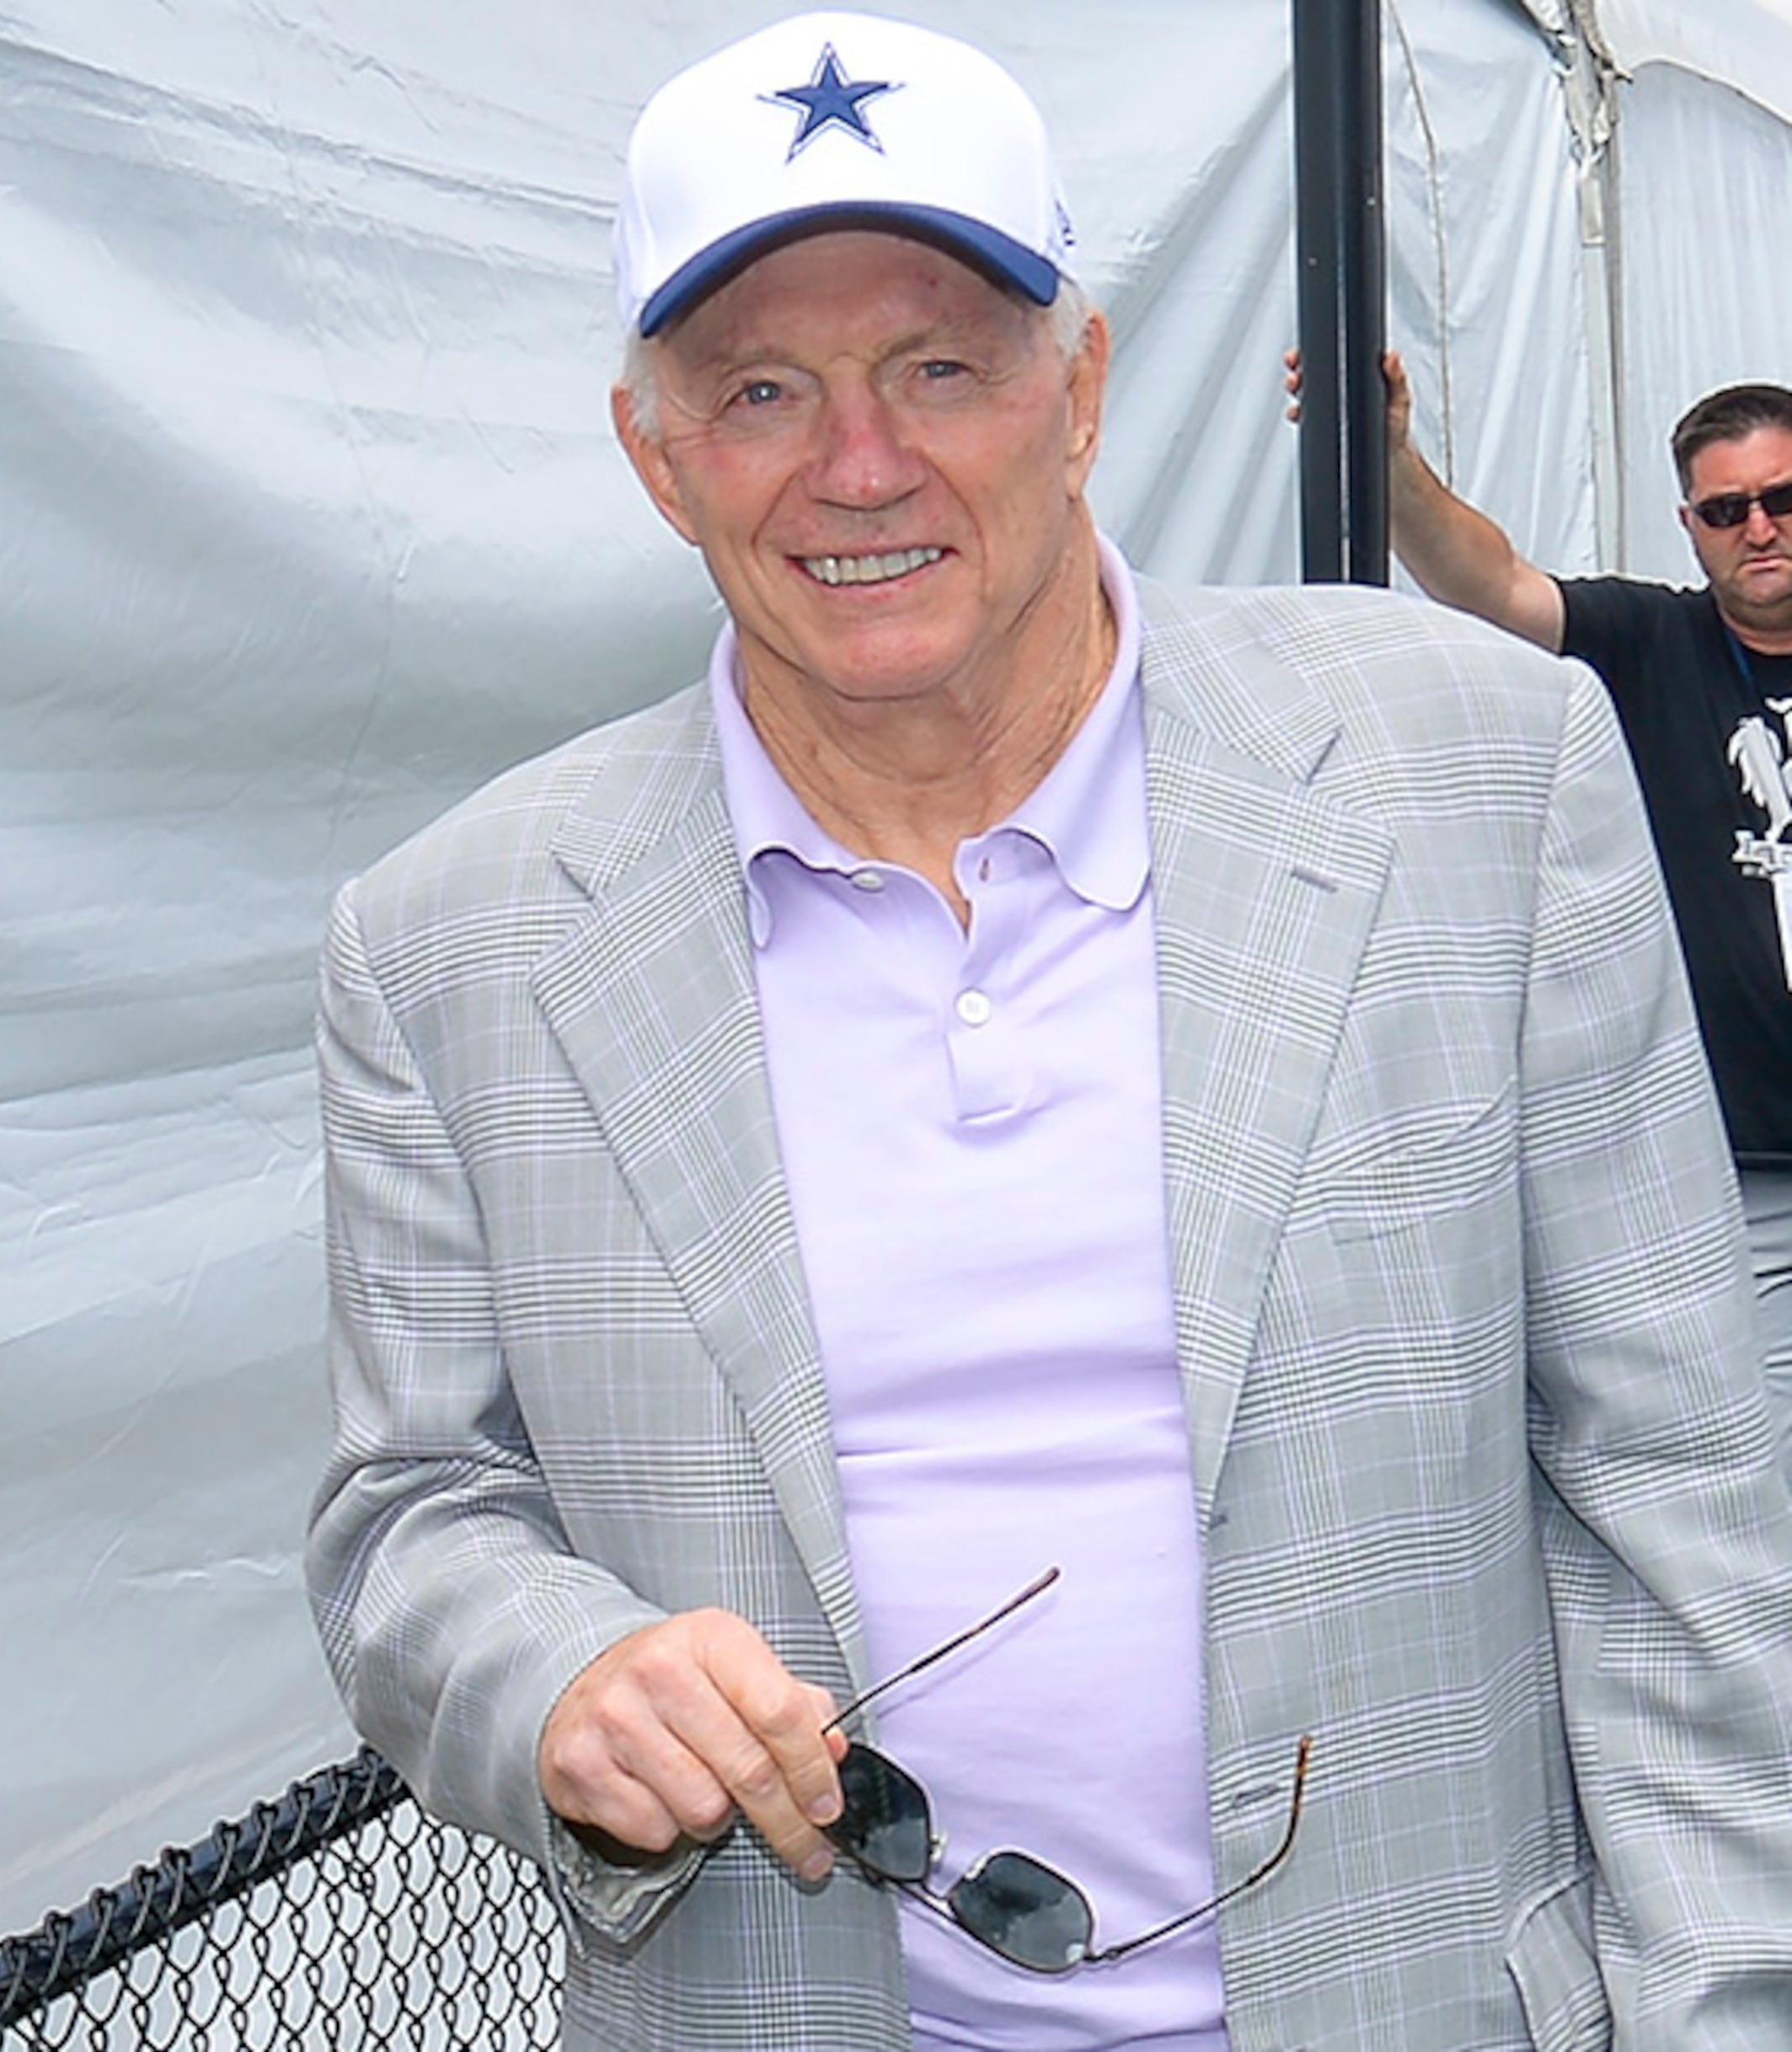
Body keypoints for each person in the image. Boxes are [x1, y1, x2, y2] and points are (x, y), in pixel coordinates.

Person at [304, 12, 1792, 2049]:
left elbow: (1678, 1502)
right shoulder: (448, 947)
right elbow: (409, 1519)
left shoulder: (1477, 776)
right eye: (757, 388)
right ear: (655, 457)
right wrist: (557, 1664)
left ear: (1076, 388)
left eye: (937, 364)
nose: (858, 462)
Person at [1297, 349, 1792, 1430]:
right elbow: (1491, 584)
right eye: (1727, 509)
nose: (1760, 527)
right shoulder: (1656, 642)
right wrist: (1391, 460)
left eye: (1782, 498)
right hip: (1750, 1172)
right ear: (1690, 525)